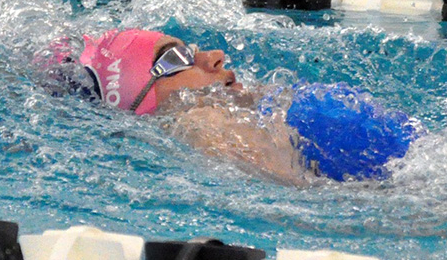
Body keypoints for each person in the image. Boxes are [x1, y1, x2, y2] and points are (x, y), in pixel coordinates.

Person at [45, 28, 421, 185]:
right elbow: (307, 194)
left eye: (191, 49)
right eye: (177, 58)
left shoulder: (242, 108)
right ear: (142, 98)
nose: (213, 57)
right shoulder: (201, 123)